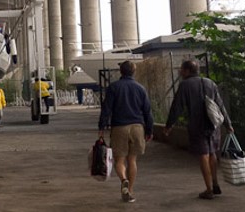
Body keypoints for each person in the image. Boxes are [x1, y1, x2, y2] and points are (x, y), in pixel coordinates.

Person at [164, 59, 230, 200]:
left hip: (197, 126)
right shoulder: (210, 83)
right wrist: (228, 124)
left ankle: (209, 189)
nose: (180, 71)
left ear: (187, 71)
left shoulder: (185, 85)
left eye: (181, 69)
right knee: (212, 153)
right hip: (213, 125)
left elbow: (177, 107)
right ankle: (215, 182)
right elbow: (220, 105)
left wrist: (169, 125)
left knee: (203, 155)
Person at [98, 61, 154, 203]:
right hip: (137, 127)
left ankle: (123, 180)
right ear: (133, 71)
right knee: (132, 160)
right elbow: (147, 111)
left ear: (121, 71)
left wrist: (101, 127)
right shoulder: (140, 88)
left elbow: (106, 109)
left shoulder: (114, 87)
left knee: (120, 160)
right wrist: (149, 129)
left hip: (119, 127)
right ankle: (130, 190)